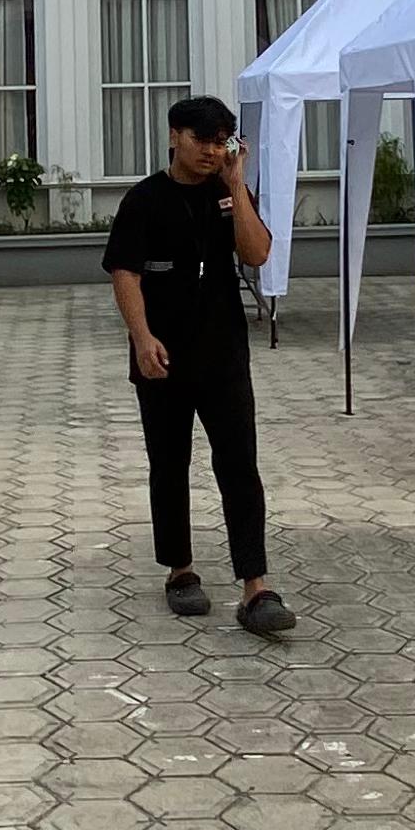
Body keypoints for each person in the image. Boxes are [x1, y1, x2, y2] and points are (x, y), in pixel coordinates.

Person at [104, 95, 287, 633]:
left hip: (223, 353)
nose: (211, 151)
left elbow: (256, 254)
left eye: (220, 141)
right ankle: (180, 571)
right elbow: (125, 273)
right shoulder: (143, 200)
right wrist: (141, 337)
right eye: (201, 139)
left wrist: (237, 186)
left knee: (239, 465)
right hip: (162, 355)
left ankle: (255, 585)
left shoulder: (229, 194)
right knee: (169, 463)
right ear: (173, 137)